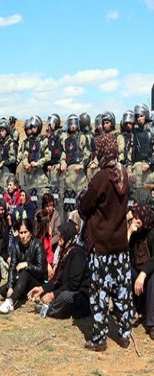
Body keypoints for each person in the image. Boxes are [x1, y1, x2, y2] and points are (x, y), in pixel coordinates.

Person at [79, 133, 133, 352]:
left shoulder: (101, 178)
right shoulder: (124, 174)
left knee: (99, 293)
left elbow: (84, 206)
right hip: (120, 244)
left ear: (101, 151)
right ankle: (124, 334)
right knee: (121, 291)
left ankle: (100, 339)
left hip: (101, 246)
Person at [27, 222, 90, 319]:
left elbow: (73, 285)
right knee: (48, 293)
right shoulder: (65, 253)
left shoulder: (77, 253)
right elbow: (56, 280)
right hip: (67, 290)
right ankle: (52, 306)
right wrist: (42, 288)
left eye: (63, 236)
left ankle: (49, 310)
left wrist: (53, 295)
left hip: (79, 295)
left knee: (65, 296)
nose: (60, 238)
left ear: (69, 237)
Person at [0, 218, 47, 314]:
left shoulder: (37, 245)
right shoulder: (16, 246)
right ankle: (20, 293)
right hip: (20, 280)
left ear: (30, 233)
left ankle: (10, 302)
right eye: (21, 233)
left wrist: (27, 265)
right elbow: (12, 267)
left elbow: (42, 270)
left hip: (35, 281)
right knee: (4, 289)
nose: (23, 236)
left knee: (25, 273)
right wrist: (11, 286)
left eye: (25, 232)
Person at [128, 205, 154, 340]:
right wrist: (129, 232)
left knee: (153, 278)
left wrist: (143, 274)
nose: (136, 221)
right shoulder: (136, 233)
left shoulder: (152, 233)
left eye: (139, 218)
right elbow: (122, 253)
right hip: (136, 272)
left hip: (148, 274)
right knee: (125, 271)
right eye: (135, 218)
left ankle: (152, 323)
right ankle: (127, 312)